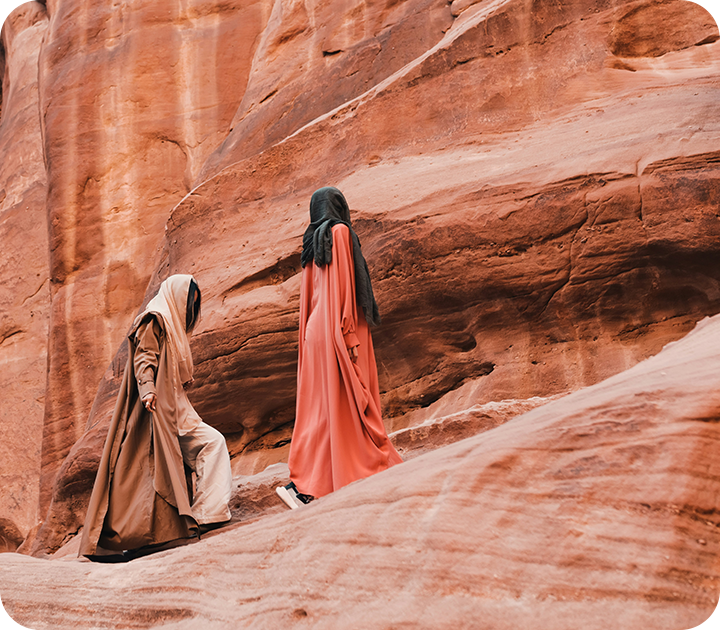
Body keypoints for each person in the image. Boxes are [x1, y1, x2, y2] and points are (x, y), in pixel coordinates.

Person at [80, 274, 233, 559]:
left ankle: (207, 513)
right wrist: (148, 389)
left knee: (211, 443)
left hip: (177, 410)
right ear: (175, 297)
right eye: (188, 302)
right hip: (156, 411)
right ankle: (182, 521)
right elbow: (144, 357)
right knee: (150, 470)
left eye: (194, 305)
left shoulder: (172, 326)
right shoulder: (155, 319)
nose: (189, 310)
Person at [276, 187, 403, 509]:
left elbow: (308, 299)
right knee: (350, 400)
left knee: (321, 408)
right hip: (340, 326)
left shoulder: (310, 241)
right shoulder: (340, 232)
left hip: (314, 331)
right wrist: (347, 334)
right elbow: (343, 286)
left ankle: (306, 485)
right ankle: (357, 468)